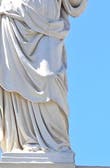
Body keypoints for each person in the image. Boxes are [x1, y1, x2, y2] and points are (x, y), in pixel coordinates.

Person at [0, 0, 86, 154]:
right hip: (13, 16)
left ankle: (54, 143)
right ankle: (25, 141)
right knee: (15, 81)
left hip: (48, 22)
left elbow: (75, 4)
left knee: (49, 79)